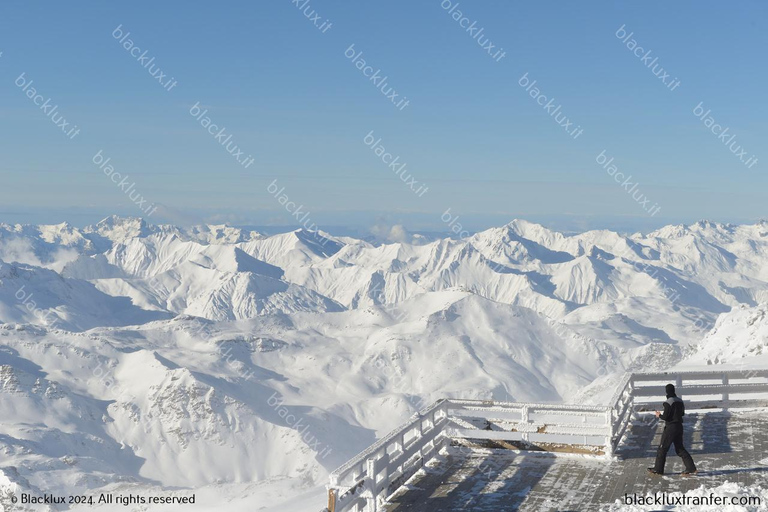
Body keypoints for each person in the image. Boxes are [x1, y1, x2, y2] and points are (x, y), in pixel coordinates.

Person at [647, 383, 697, 476]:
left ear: (667, 391)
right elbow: (682, 414)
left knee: (662, 448)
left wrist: (659, 415)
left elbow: (666, 416)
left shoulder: (668, 402)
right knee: (680, 449)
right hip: (679, 426)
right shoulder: (680, 400)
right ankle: (691, 468)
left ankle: (658, 469)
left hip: (671, 428)